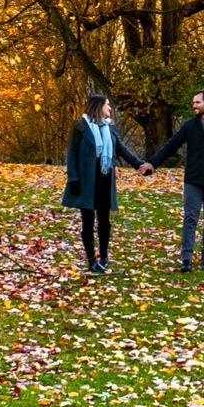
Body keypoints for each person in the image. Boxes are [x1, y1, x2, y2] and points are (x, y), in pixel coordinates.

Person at [143, 87, 204, 271]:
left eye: (197, 102)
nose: (194, 106)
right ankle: (186, 258)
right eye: (193, 102)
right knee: (190, 218)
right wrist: (152, 163)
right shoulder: (189, 126)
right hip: (193, 179)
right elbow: (171, 145)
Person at [62, 92, 145, 275]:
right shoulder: (80, 127)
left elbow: (122, 150)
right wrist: (73, 178)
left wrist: (138, 164)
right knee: (88, 221)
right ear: (99, 107)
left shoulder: (110, 129)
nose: (110, 108)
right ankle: (91, 260)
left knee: (104, 221)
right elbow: (72, 155)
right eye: (107, 105)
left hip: (105, 179)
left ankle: (104, 257)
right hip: (86, 181)